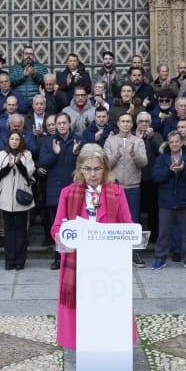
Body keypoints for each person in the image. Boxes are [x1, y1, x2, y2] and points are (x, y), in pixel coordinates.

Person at [50, 144, 136, 349]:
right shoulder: (67, 193)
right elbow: (56, 228)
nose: (92, 174)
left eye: (97, 168)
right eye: (87, 168)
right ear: (80, 169)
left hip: (109, 265)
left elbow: (128, 225)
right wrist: (62, 238)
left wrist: (129, 235)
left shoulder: (117, 192)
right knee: (82, 317)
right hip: (78, 262)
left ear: (105, 169)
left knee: (108, 316)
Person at [150, 130, 186, 270]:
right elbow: (155, 176)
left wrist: (183, 170)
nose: (174, 144)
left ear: (182, 142)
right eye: (171, 142)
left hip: (185, 200)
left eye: (177, 141)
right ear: (168, 143)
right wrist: (169, 170)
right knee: (163, 232)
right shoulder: (162, 158)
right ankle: (160, 258)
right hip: (166, 201)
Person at [103, 112, 148, 266]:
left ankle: (134, 255)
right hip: (114, 187)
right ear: (118, 123)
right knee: (113, 221)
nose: (126, 124)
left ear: (132, 124)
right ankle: (114, 255)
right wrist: (116, 154)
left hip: (133, 187)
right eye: (123, 121)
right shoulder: (110, 140)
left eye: (129, 121)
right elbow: (105, 163)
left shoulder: (138, 141)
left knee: (133, 222)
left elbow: (144, 162)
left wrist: (134, 154)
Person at [38, 113, 81, 269]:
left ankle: (74, 257)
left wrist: (77, 154)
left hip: (74, 189)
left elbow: (87, 162)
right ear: (55, 125)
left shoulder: (78, 139)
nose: (62, 125)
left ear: (69, 124)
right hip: (55, 190)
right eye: (59, 123)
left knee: (75, 225)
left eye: (64, 122)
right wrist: (54, 154)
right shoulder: (49, 141)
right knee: (58, 226)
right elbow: (42, 162)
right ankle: (58, 258)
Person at [0, 131, 36, 271]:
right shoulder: (1, 154)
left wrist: (19, 164)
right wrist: (9, 165)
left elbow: (29, 173)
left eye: (17, 139)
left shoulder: (27, 154)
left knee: (21, 230)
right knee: (8, 230)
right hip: (6, 198)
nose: (15, 141)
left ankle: (20, 261)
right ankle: (9, 260)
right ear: (8, 140)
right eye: (12, 138)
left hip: (21, 197)